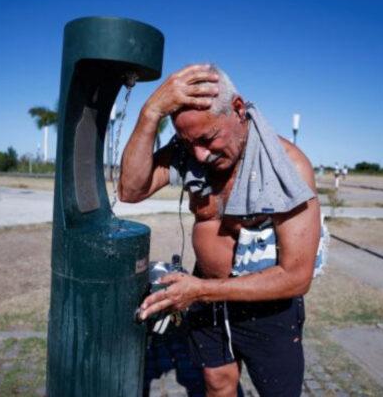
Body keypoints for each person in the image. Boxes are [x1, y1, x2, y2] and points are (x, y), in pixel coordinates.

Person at [119, 64, 321, 396]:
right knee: (217, 382)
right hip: (206, 293)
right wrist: (150, 111)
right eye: (189, 142)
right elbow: (130, 189)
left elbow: (297, 276)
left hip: (266, 308)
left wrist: (198, 291)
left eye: (208, 138)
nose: (200, 154)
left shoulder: (288, 166)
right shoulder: (191, 152)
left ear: (238, 109)